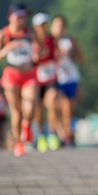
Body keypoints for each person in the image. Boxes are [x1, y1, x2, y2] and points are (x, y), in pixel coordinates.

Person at [0, 3, 42, 157]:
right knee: (16, 111)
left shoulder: (30, 33)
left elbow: (42, 49)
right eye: (19, 16)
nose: (22, 20)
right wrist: (6, 49)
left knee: (30, 107)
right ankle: (19, 143)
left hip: (28, 74)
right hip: (12, 75)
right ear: (10, 16)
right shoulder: (3, 34)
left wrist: (37, 54)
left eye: (24, 17)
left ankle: (27, 123)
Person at [50, 15, 84, 146]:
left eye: (61, 26)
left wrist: (71, 53)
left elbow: (82, 58)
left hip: (70, 78)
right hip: (54, 78)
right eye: (56, 25)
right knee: (55, 106)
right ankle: (57, 132)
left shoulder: (70, 41)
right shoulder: (47, 41)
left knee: (69, 108)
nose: (59, 28)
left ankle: (68, 134)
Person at [32, 12, 61, 152]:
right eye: (40, 25)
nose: (43, 27)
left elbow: (57, 54)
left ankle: (52, 134)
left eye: (45, 24)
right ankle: (41, 135)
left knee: (52, 103)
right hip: (37, 79)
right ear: (35, 26)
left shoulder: (52, 39)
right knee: (38, 109)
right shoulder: (31, 40)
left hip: (51, 77)